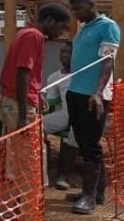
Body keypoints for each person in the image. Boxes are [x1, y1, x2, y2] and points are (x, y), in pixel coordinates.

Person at [65, 0, 120, 215]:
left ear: (91, 5)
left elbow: (107, 62)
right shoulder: (83, 28)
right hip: (75, 92)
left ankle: (89, 197)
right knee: (83, 141)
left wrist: (97, 92)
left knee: (91, 144)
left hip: (93, 96)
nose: (75, 14)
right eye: (72, 9)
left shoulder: (108, 26)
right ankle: (97, 192)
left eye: (78, 9)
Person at [0, 3, 70, 132]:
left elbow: (26, 75)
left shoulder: (25, 33)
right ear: (49, 20)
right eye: (62, 27)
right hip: (18, 104)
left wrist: (36, 95)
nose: (62, 32)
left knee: (17, 146)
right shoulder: (33, 36)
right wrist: (23, 116)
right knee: (26, 148)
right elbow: (22, 73)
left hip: (14, 101)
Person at [43, 41, 77, 191]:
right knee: (33, 127)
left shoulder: (80, 74)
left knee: (74, 133)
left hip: (77, 117)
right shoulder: (53, 77)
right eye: (62, 52)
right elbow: (49, 102)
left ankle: (62, 175)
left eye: (69, 53)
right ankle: (40, 168)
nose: (65, 55)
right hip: (63, 115)